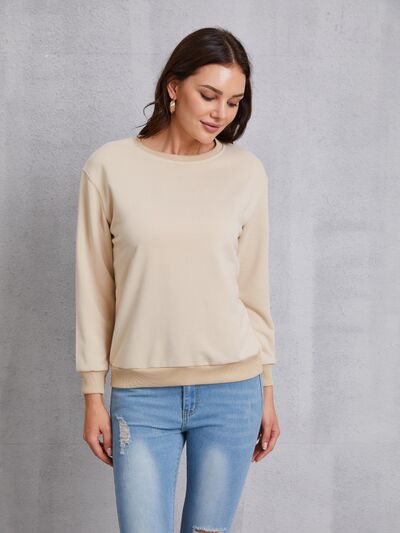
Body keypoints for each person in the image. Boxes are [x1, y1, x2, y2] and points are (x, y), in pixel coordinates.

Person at [75, 26, 280, 533]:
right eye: (208, 95)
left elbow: (253, 292)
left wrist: (267, 388)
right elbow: (95, 291)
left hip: (233, 391)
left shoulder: (245, 172)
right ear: (173, 86)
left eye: (233, 102)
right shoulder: (109, 167)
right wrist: (93, 394)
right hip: (142, 396)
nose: (220, 113)